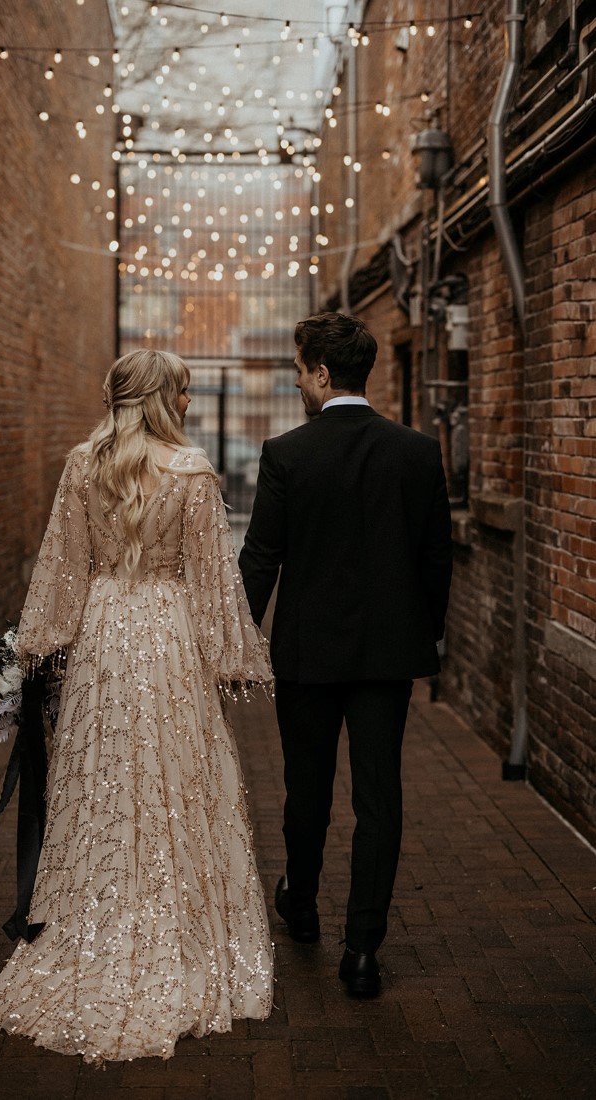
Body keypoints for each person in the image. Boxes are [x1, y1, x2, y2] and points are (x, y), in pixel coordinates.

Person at [0, 349, 274, 1062]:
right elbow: (212, 579)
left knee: (102, 776)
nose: (190, 402)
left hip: (103, 635)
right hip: (167, 637)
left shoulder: (81, 465)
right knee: (174, 777)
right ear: (165, 398)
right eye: (184, 391)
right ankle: (179, 928)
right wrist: (231, 659)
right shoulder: (191, 472)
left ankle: (95, 919)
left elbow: (62, 568)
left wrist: (33, 650)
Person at [238, 312, 452, 997]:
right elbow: (435, 562)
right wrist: (425, 635)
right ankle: (362, 952)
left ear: (324, 375)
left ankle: (301, 908)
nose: (298, 382)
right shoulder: (418, 453)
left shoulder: (286, 454)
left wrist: (240, 636)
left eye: (301, 371)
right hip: (388, 656)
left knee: (307, 794)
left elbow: (261, 558)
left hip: (307, 653)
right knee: (379, 800)